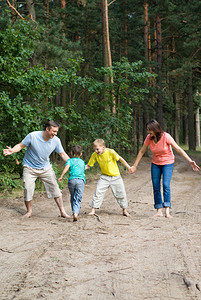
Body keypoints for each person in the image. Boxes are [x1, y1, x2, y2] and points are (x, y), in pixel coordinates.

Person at [130, 119, 200, 218]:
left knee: (166, 185)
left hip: (168, 163)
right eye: (147, 130)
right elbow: (142, 151)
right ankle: (159, 210)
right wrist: (135, 165)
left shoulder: (166, 136)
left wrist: (190, 161)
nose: (148, 132)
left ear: (155, 129)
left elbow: (178, 149)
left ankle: (167, 210)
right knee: (156, 186)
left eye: (150, 129)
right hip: (156, 163)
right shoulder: (149, 138)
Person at [3, 120, 70, 218]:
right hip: (29, 168)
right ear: (47, 129)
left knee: (55, 189)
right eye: (53, 131)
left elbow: (62, 154)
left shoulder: (56, 140)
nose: (55, 134)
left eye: (56, 132)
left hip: (45, 168)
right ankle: (29, 212)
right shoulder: (33, 136)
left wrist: (72, 163)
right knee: (27, 189)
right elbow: (21, 145)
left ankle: (63, 212)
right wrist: (12, 150)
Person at [85, 139, 131, 217]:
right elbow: (89, 165)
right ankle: (93, 210)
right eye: (95, 149)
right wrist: (79, 169)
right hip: (104, 177)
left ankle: (124, 210)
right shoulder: (95, 155)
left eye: (97, 149)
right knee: (98, 192)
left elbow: (120, 159)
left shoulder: (110, 152)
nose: (96, 151)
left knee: (121, 193)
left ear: (103, 147)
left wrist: (129, 167)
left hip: (116, 177)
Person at [58, 145, 85, 222]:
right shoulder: (82, 162)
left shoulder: (69, 161)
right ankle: (76, 213)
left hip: (71, 181)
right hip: (80, 181)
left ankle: (74, 211)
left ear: (71, 153)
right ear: (81, 154)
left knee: (73, 196)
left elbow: (66, 168)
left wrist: (61, 176)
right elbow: (83, 170)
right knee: (78, 197)